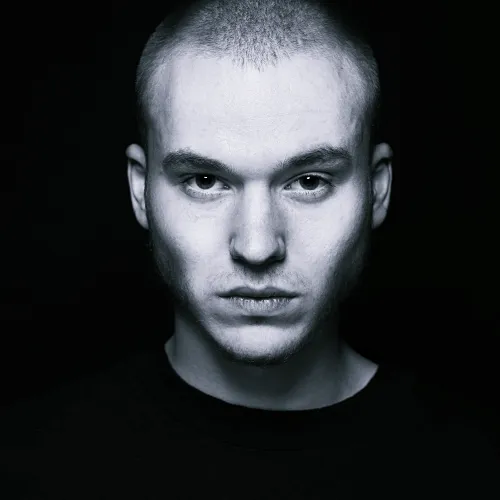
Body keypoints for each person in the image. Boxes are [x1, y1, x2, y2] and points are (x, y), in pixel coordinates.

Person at [1, 0, 497, 498]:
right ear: (140, 191)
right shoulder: (26, 467)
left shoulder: (475, 468)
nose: (257, 248)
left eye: (309, 182)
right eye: (204, 181)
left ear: (377, 190)